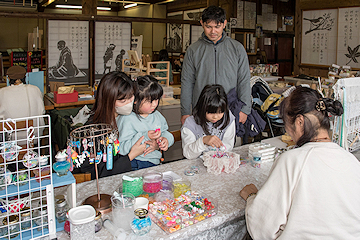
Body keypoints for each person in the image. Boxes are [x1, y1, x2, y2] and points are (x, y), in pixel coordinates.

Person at [240, 86, 360, 239]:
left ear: (300, 122)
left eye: (286, 126)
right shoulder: (351, 160)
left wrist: (251, 196)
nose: (287, 132)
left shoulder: (292, 160)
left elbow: (262, 227)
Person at [75, 71, 156, 179]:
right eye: (123, 101)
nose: (129, 103)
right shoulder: (94, 131)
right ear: (109, 101)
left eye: (131, 97)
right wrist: (131, 156)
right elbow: (97, 173)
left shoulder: (131, 116)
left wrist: (155, 145)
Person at [180, 6, 251, 126]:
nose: (213, 31)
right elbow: (187, 82)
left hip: (230, 110)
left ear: (224, 24)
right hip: (202, 110)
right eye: (209, 27)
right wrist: (185, 111)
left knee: (229, 144)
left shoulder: (237, 48)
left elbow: (243, 80)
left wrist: (245, 108)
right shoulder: (193, 50)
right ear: (202, 23)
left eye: (217, 27)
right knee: (201, 143)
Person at [117, 75, 174, 170]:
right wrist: (145, 136)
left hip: (155, 163)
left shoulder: (157, 115)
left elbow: (165, 132)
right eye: (149, 101)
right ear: (135, 100)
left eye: (157, 99)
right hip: (134, 164)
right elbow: (121, 148)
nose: (155, 104)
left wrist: (166, 140)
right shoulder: (126, 119)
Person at [181, 84, 235, 159]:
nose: (215, 116)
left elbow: (228, 146)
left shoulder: (228, 118)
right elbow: (188, 154)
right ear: (202, 108)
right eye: (211, 112)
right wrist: (203, 141)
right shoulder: (190, 124)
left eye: (220, 112)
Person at [0, 65, 45, 133]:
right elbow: (42, 111)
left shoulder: (2, 92)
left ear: (8, 78)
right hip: (34, 136)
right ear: (25, 77)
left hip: (9, 138)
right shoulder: (35, 89)